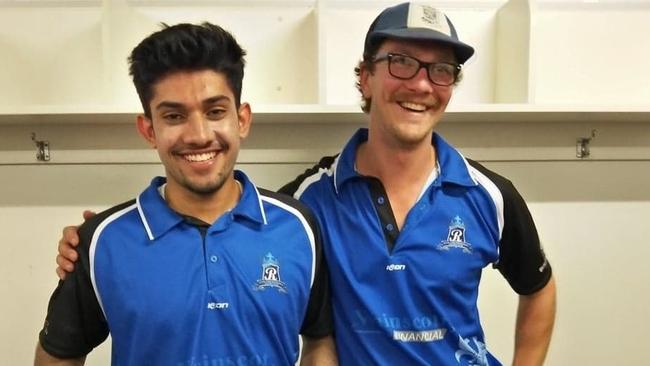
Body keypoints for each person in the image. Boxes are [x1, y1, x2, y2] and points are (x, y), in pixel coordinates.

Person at [55, 2, 556, 365]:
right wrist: (94, 246)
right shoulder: (307, 203)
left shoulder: (490, 196)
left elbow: (539, 287)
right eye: (401, 62)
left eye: (441, 70)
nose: (422, 83)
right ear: (364, 77)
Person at [35, 22, 336, 366]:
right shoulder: (101, 241)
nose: (198, 135)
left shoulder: (298, 226)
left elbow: (320, 339)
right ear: (149, 129)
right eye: (175, 115)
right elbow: (59, 356)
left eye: (215, 111)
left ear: (242, 120)